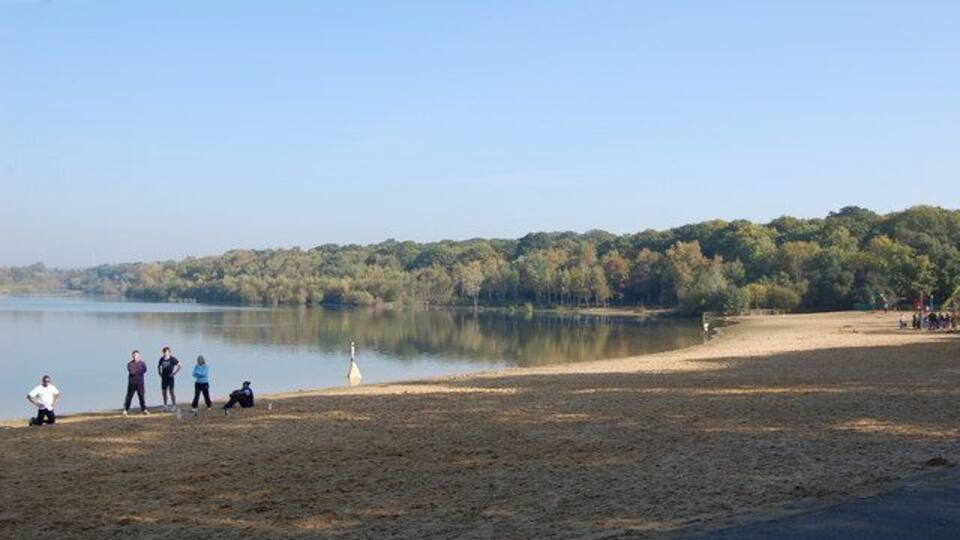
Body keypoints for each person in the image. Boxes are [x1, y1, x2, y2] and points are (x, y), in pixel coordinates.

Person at [123, 350, 149, 415]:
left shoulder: (142, 363)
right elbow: (132, 372)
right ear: (132, 356)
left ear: (139, 356)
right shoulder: (129, 364)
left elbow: (145, 370)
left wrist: (137, 371)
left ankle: (144, 409)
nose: (135, 357)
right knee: (129, 397)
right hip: (132, 384)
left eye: (136, 355)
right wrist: (139, 371)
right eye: (134, 356)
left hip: (140, 383)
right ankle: (126, 410)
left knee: (142, 397)